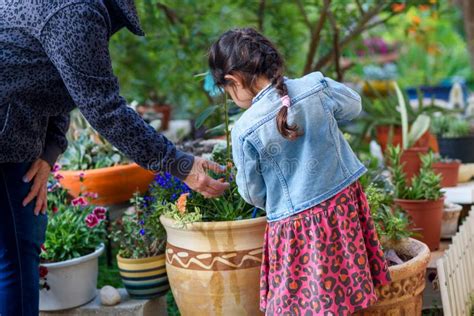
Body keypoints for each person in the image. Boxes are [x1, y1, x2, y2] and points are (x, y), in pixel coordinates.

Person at [0, 1, 228, 315]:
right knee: (14, 255)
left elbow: (56, 80)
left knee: (18, 249)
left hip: (15, 137)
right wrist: (181, 165)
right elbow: (105, 109)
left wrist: (48, 149)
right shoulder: (73, 11)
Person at [208, 28, 391, 315]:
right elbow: (354, 106)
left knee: (304, 303)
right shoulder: (316, 86)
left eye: (227, 91)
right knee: (345, 291)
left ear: (233, 80)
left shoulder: (244, 130)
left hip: (295, 226)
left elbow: (251, 193)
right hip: (342, 207)